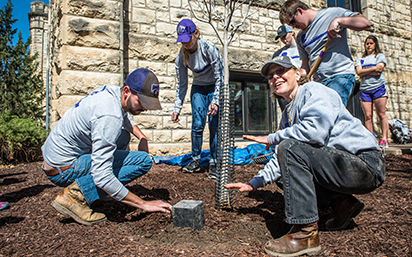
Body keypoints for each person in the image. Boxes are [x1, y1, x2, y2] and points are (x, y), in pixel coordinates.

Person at [225, 56, 385, 257]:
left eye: (281, 71)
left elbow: (313, 133)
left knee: (289, 148)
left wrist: (272, 138)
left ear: (298, 73)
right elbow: (281, 159)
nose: (275, 77)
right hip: (342, 166)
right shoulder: (288, 114)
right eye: (270, 76)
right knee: (286, 173)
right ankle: (343, 205)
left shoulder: (314, 91)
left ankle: (304, 233)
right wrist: (254, 183)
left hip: (365, 164)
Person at [41, 68, 172, 225]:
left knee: (123, 136)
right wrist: (144, 204)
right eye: (142, 102)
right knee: (143, 161)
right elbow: (101, 174)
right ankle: (75, 196)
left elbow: (125, 116)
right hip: (64, 169)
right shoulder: (110, 117)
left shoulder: (111, 93)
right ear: (126, 91)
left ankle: (100, 190)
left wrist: (142, 137)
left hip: (56, 159)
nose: (144, 108)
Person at [279, 0, 371, 106]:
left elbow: (365, 23)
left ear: (299, 11)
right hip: (319, 83)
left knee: (331, 111)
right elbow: (305, 64)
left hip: (339, 76)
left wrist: (339, 21)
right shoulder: (300, 37)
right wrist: (301, 79)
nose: (294, 26)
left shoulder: (332, 14)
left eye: (292, 22)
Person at [171, 19, 224, 179]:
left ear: (196, 33)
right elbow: (182, 84)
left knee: (214, 126)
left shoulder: (209, 49)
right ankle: (195, 160)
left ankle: (214, 162)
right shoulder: (181, 56)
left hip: (215, 86)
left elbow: (220, 77)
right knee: (197, 124)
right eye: (182, 40)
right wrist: (176, 108)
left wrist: (215, 100)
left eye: (188, 39)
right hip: (199, 89)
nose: (185, 43)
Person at [355, 35, 389, 148]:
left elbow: (379, 69)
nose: (368, 45)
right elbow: (359, 72)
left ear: (375, 45)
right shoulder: (361, 59)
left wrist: (366, 71)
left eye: (371, 43)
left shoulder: (379, 56)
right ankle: (371, 139)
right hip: (365, 90)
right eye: (367, 43)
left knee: (381, 114)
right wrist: (373, 69)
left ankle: (384, 139)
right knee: (368, 116)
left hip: (378, 88)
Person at [271, 24, 302, 111]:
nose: (284, 39)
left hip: (300, 84)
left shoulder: (302, 48)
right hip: (286, 88)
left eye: (285, 36)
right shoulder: (278, 54)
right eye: (281, 38)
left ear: (292, 33)